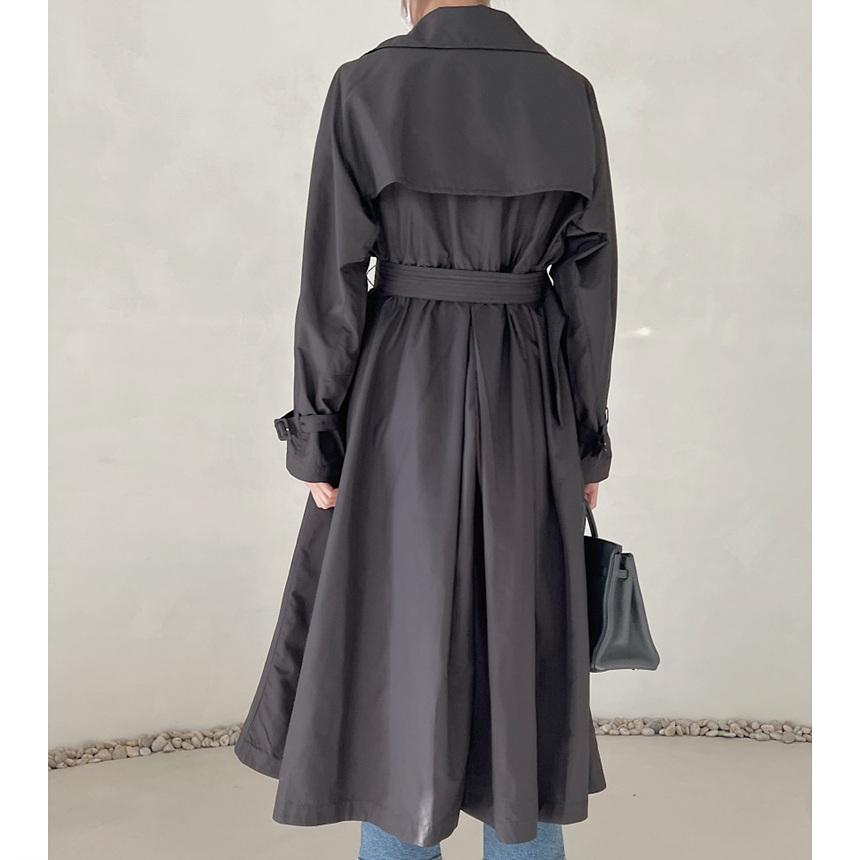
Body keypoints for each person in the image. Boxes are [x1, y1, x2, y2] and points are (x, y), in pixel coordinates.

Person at [234, 2, 618, 858]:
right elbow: (589, 284)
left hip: (401, 391)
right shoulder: (567, 93)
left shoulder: (366, 86)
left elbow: (333, 274)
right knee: (522, 646)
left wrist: (317, 430)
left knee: (394, 640)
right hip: (526, 386)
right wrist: (586, 439)